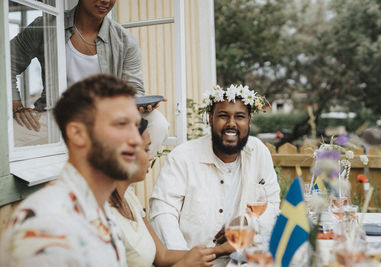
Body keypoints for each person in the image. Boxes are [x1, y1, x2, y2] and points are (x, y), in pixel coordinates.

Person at [0, 74, 142, 266]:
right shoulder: (47, 227)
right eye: (121, 124)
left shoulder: (98, 209)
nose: (136, 140)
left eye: (136, 125)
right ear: (77, 134)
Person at [11, 0, 168, 154]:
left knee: (156, 122)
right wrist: (16, 104)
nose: (106, 1)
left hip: (106, 120)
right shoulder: (46, 26)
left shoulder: (125, 41)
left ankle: (121, 175)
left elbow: (134, 89)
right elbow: (6, 62)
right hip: (56, 118)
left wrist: (140, 103)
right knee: (7, 136)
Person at [149, 85, 281, 264]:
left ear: (249, 121)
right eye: (223, 115)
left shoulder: (258, 152)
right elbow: (163, 213)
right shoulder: (183, 157)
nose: (231, 123)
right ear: (210, 119)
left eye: (240, 117)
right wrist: (187, 260)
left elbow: (273, 206)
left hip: (245, 260)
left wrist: (248, 221)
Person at [110, 118, 216, 267]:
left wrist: (223, 249)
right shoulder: (102, 216)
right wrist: (185, 264)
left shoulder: (129, 198)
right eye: (146, 149)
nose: (151, 156)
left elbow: (163, 256)